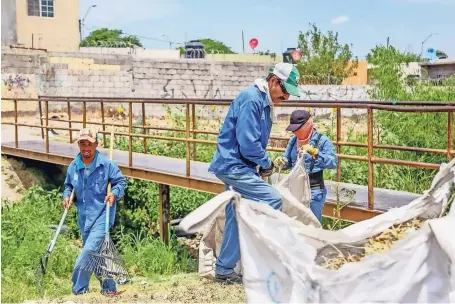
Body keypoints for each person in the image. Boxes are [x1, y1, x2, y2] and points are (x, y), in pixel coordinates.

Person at [208, 62, 301, 284]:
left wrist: (260, 164)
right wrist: (266, 162)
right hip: (234, 166)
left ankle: (224, 269)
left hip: (240, 166)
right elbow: (248, 143)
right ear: (273, 81)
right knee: (273, 199)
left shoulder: (263, 102)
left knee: (236, 214)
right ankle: (265, 263)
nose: (287, 97)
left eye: (290, 94)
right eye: (285, 91)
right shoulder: (252, 100)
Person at [62, 127, 127, 296]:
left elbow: (120, 182)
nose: (86, 147)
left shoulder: (107, 165)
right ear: (78, 145)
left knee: (88, 250)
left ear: (96, 144)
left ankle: (79, 289)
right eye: (82, 143)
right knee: (97, 255)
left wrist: (114, 193)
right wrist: (67, 196)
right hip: (84, 218)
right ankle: (109, 288)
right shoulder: (73, 167)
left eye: (89, 144)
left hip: (102, 216)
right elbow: (68, 186)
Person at [274, 110, 338, 222]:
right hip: (295, 190)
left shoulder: (322, 141)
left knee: (312, 225)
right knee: (294, 224)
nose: (295, 132)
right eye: (293, 130)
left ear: (309, 124)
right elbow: (287, 161)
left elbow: (333, 163)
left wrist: (316, 153)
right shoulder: (293, 141)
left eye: (297, 129)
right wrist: (281, 162)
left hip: (314, 191)